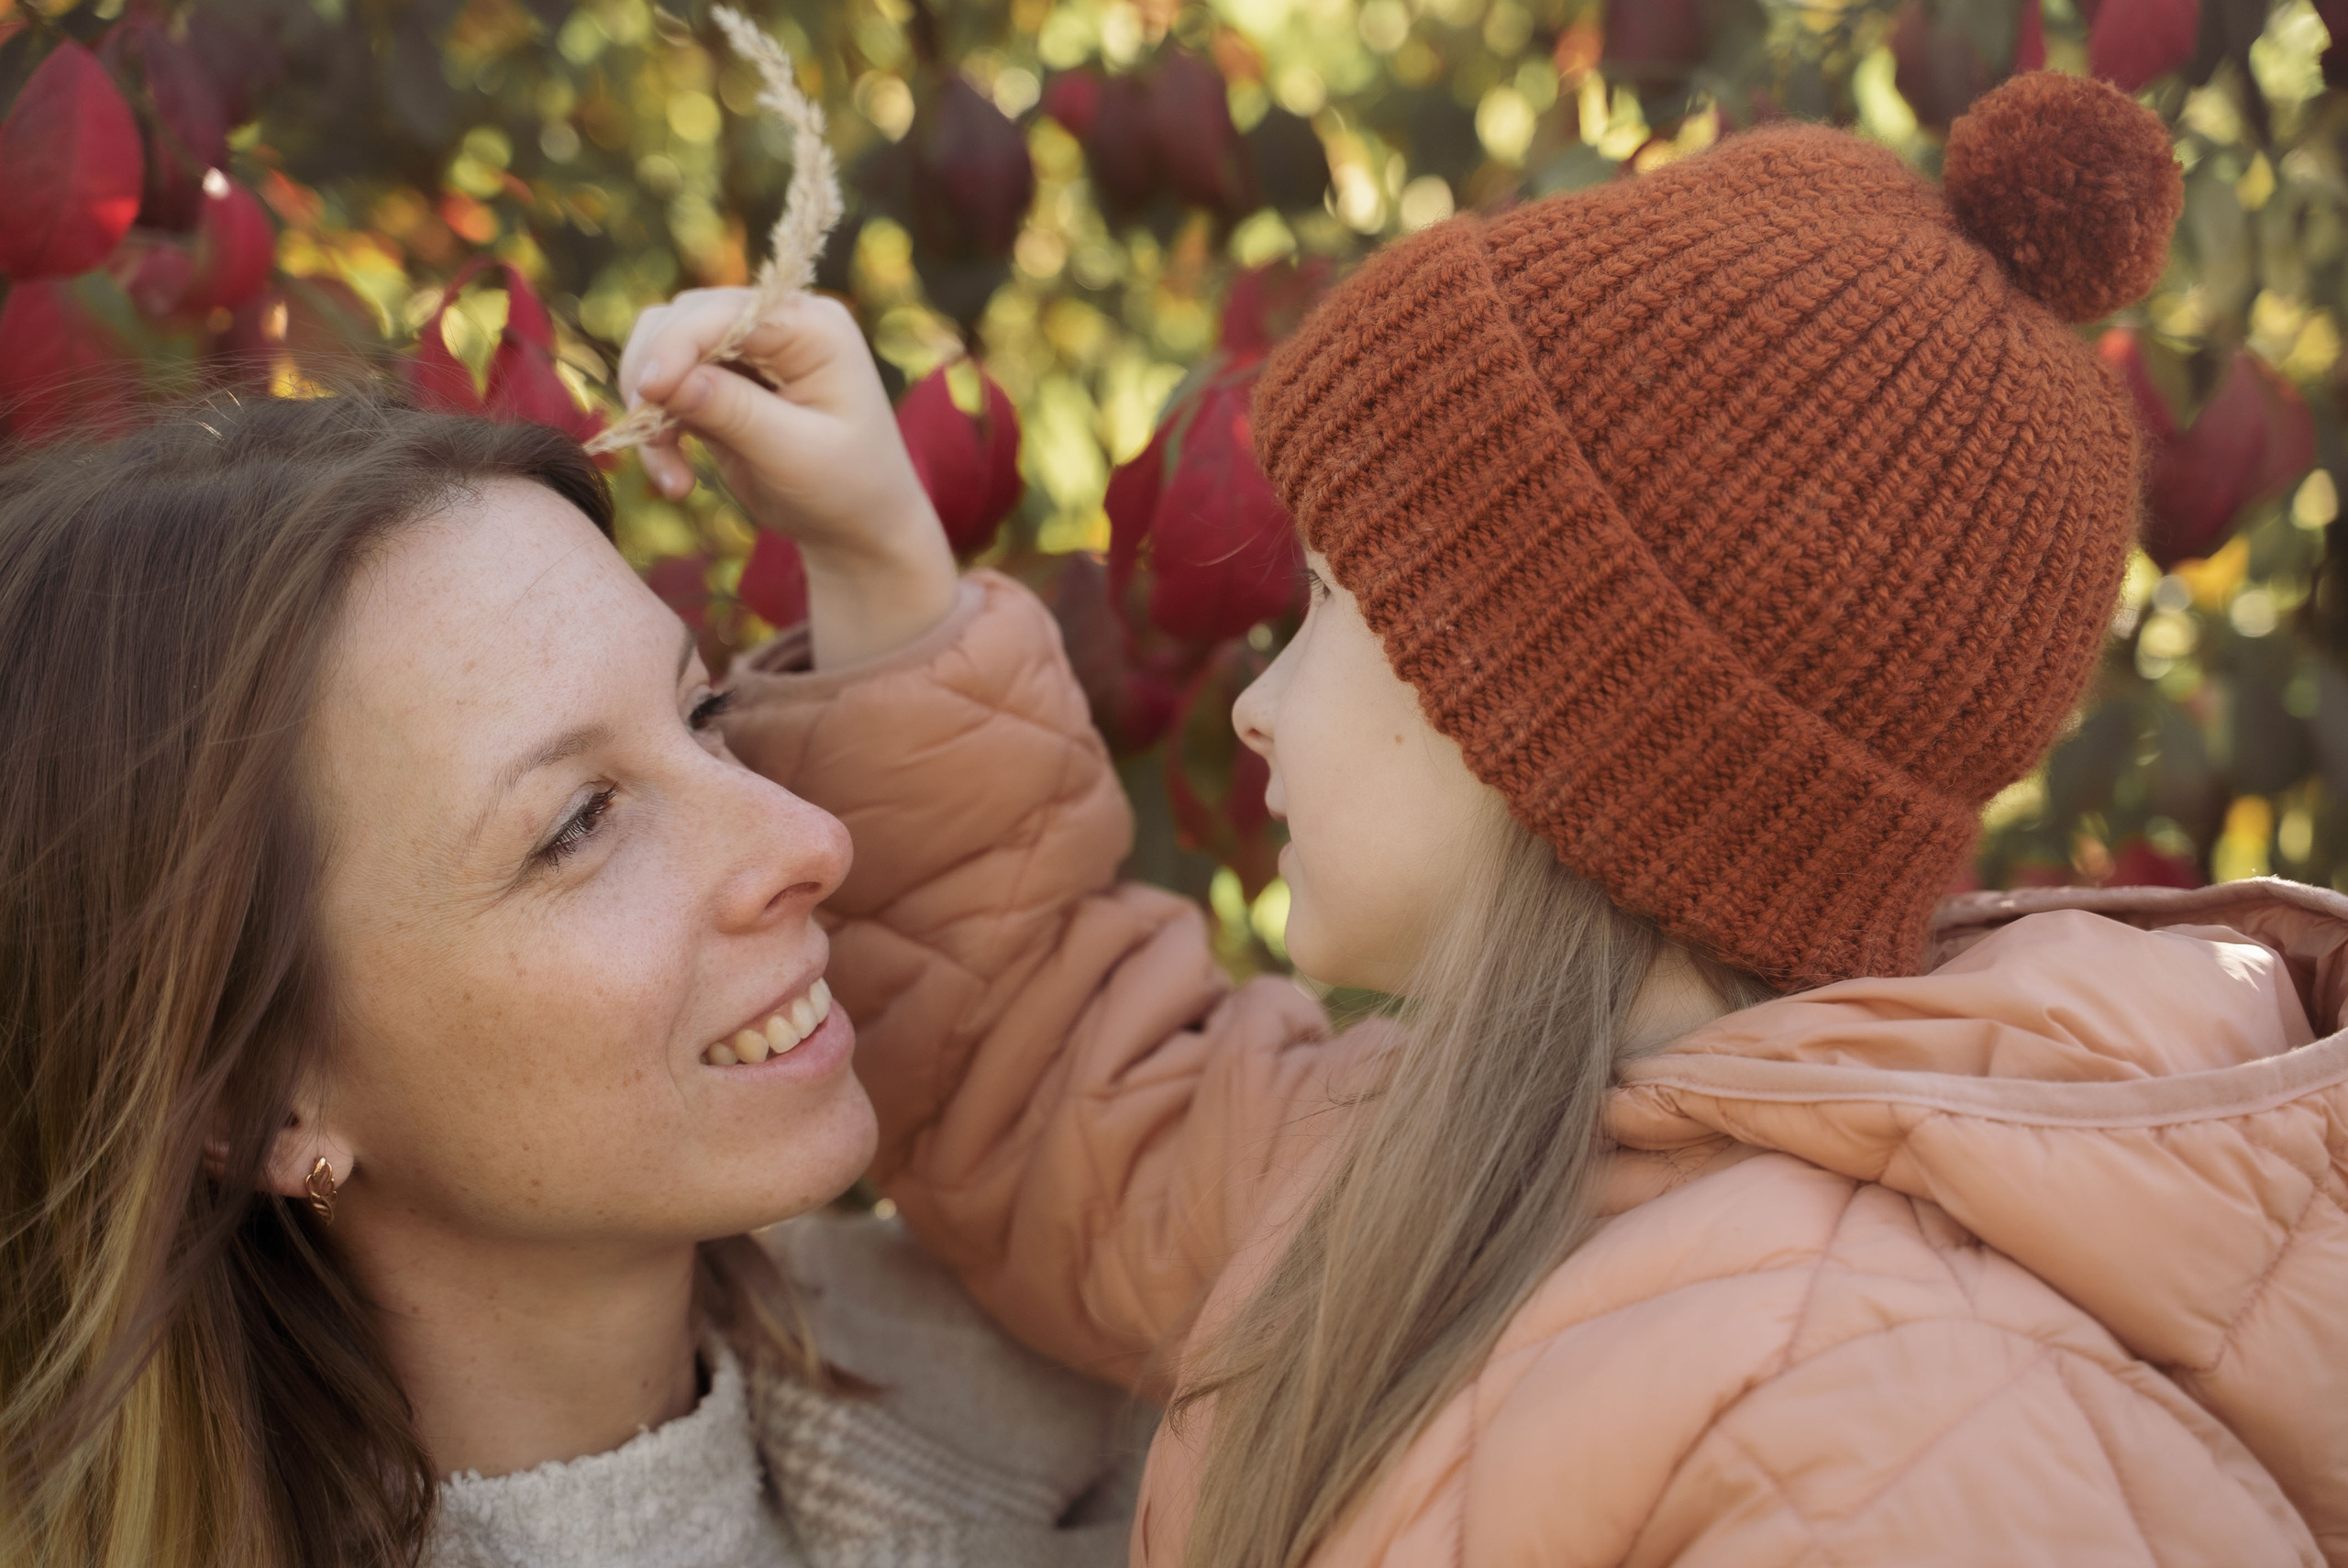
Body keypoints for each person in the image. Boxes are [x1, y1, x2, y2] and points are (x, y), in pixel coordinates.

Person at [621, 72, 2348, 1567]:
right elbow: (1060, 1078)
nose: (1259, 702)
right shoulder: (1451, 1158)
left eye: (1325, 606)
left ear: (1567, 726)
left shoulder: (1916, 1453)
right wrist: (871, 549)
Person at [0, 382, 1149, 1568]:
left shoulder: (1126, 1386)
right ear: (260, 1104)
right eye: (579, 823)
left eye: (702, 712)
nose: (808, 839)